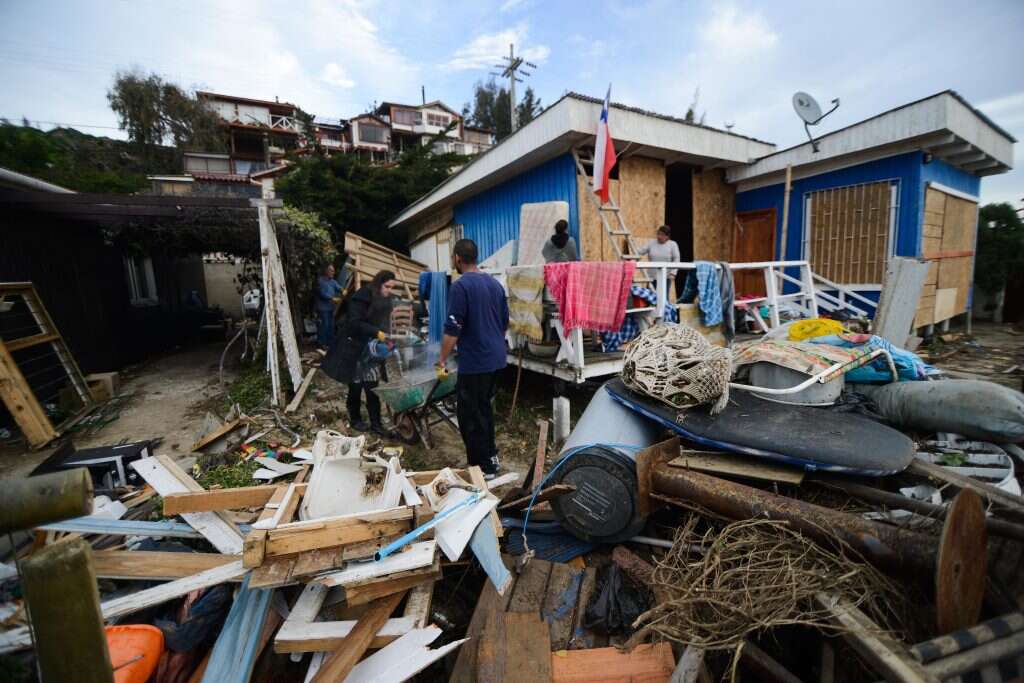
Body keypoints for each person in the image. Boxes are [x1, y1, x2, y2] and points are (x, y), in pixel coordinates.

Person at [437, 239, 509, 477]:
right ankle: (491, 456)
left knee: (469, 416)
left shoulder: (461, 286)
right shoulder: (495, 284)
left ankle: (482, 468)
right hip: (497, 359)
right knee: (484, 410)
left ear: (457, 258)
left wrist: (441, 359)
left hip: (476, 362)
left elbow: (453, 328)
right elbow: (504, 323)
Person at [322, 270, 397, 435]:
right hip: (354, 346)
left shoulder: (385, 299)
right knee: (355, 385)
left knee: (372, 385)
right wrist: (377, 332)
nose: (389, 290)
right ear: (378, 284)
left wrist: (390, 337)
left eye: (392, 287)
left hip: (372, 349)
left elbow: (385, 321)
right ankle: (355, 419)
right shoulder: (361, 296)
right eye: (387, 286)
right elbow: (354, 323)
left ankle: (376, 424)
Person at [639, 225, 681, 300]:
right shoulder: (651, 243)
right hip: (652, 276)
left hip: (666, 276)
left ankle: (664, 311)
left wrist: (673, 272)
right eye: (658, 233)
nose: (659, 236)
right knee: (650, 298)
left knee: (664, 298)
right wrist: (632, 247)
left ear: (667, 236)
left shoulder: (672, 244)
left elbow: (676, 258)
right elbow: (641, 251)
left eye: (662, 234)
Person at [315, 264, 344, 349]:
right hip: (322, 308)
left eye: (333, 271)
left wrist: (343, 290)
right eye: (331, 270)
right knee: (324, 325)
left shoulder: (333, 282)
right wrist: (333, 298)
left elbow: (338, 287)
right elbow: (322, 293)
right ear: (326, 271)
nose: (333, 272)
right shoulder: (320, 281)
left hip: (330, 308)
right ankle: (321, 343)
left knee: (331, 325)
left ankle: (329, 342)